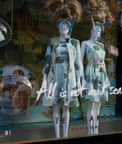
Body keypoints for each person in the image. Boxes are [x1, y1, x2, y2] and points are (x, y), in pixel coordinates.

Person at [37, 0, 83, 138]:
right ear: (57, 26)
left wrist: (81, 82)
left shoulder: (75, 42)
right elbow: (46, 62)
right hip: (55, 77)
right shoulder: (52, 42)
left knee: (66, 107)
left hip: (69, 79)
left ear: (69, 26)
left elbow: (78, 64)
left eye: (66, 24)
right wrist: (45, 80)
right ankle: (57, 136)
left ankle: (65, 135)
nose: (63, 27)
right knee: (56, 106)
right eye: (60, 24)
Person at [81, 21, 110, 135]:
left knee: (98, 103)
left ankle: (96, 129)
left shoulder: (101, 45)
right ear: (91, 30)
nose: (97, 32)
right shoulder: (85, 44)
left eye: (99, 30)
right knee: (91, 103)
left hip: (100, 74)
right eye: (95, 29)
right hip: (91, 73)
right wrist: (82, 79)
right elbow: (80, 61)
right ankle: (89, 130)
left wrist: (106, 77)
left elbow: (103, 63)